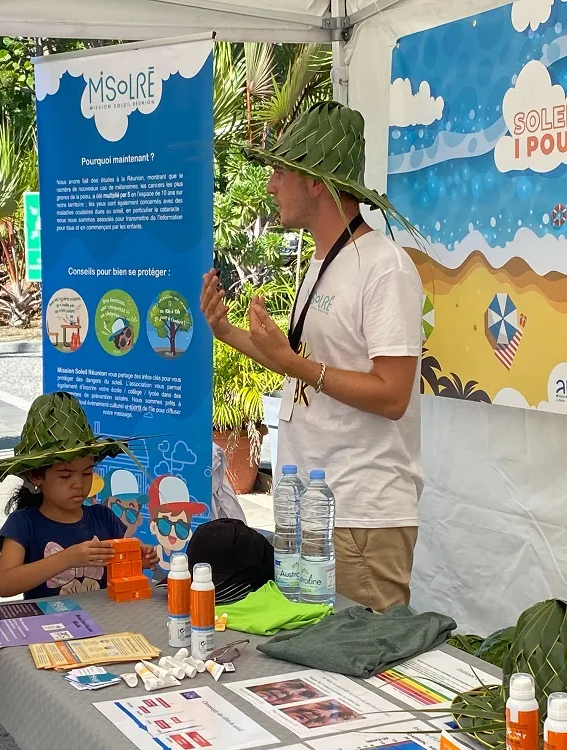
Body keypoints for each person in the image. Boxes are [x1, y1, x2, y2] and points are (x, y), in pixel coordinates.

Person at [200, 101, 424, 612]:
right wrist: (225, 331)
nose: (270, 185)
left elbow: (393, 395)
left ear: (316, 181)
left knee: (362, 653)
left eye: (281, 172)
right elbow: (298, 367)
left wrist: (297, 364)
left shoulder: (384, 267)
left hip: (359, 513)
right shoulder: (326, 260)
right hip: (311, 509)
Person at [0, 391, 159, 599]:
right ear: (36, 476)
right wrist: (67, 559)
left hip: (100, 617)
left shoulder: (104, 518)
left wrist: (137, 559)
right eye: (65, 475)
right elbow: (4, 585)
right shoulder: (23, 524)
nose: (78, 484)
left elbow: (119, 562)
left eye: (87, 473)